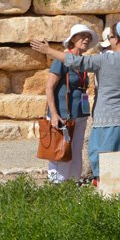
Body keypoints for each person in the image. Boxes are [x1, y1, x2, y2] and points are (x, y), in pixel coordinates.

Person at [31, 21, 120, 186]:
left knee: (102, 155)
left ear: (116, 40)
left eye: (110, 37)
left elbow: (75, 62)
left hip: (107, 118)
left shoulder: (103, 60)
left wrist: (48, 51)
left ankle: (104, 189)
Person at [42, 23, 98, 183]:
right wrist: (53, 114)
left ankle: (73, 185)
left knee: (76, 151)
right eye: (82, 36)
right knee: (60, 151)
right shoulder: (61, 60)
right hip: (62, 116)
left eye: (88, 37)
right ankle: (57, 188)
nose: (86, 39)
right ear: (73, 39)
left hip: (79, 115)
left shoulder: (82, 62)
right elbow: (49, 87)